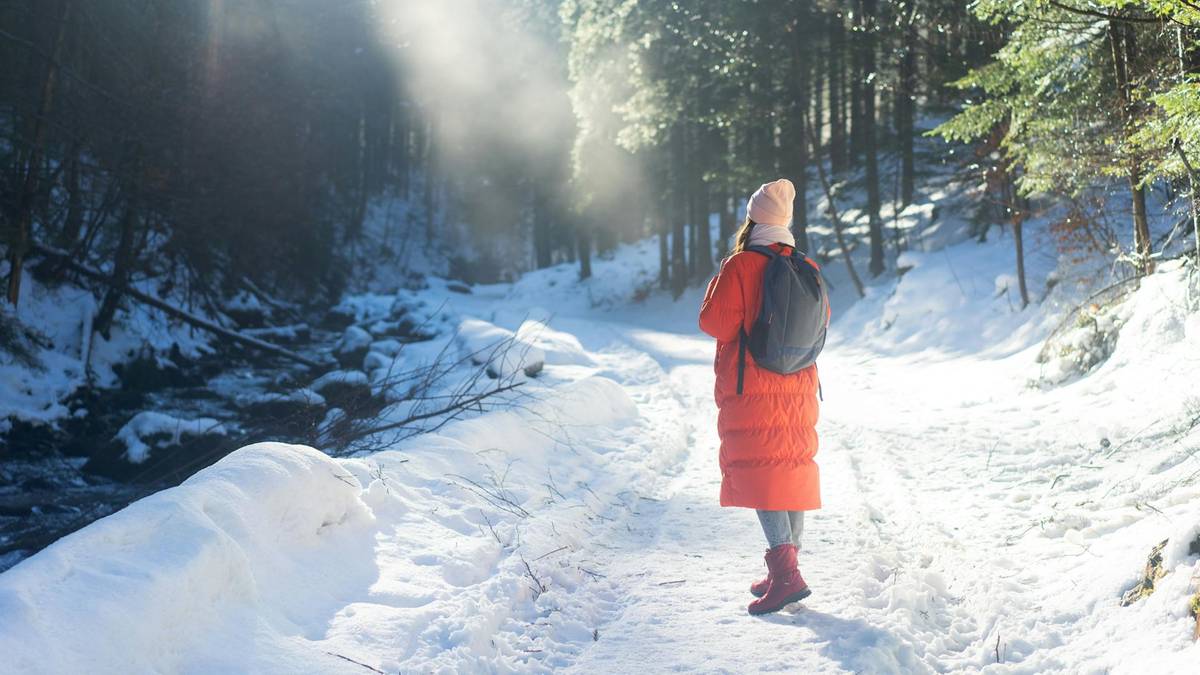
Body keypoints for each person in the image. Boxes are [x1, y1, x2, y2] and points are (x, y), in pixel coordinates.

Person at [698, 178, 824, 615]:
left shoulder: (742, 265)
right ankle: (784, 569)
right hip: (799, 384)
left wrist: (721, 277)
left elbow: (715, 324)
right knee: (787, 471)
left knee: (762, 476)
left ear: (753, 220)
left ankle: (787, 576)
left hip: (754, 386)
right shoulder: (806, 264)